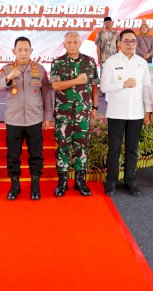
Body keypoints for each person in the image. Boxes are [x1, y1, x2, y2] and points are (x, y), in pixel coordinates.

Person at [0, 37, 53, 200]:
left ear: (31, 51)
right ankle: (15, 186)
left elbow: (46, 94)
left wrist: (48, 116)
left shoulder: (39, 69)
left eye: (26, 50)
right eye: (19, 50)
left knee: (36, 155)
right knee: (13, 155)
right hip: (14, 120)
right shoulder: (7, 69)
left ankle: (35, 186)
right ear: (14, 51)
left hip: (35, 119)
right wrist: (8, 77)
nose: (23, 53)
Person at [101, 29, 153, 197]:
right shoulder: (111, 61)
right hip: (116, 113)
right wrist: (123, 84)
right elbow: (104, 87)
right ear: (119, 43)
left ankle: (130, 180)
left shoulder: (142, 62)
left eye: (133, 41)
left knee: (132, 149)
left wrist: (148, 111)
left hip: (136, 113)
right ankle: (111, 181)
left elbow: (147, 88)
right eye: (127, 41)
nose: (130, 44)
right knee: (114, 149)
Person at [50, 31, 99, 197]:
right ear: (64, 44)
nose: (72, 45)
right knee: (62, 148)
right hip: (64, 114)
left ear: (80, 43)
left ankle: (80, 181)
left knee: (82, 147)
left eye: (75, 42)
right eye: (69, 42)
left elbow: (94, 86)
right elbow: (55, 85)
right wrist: (76, 81)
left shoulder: (89, 62)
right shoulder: (57, 62)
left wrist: (95, 107)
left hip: (83, 113)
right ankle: (62, 182)